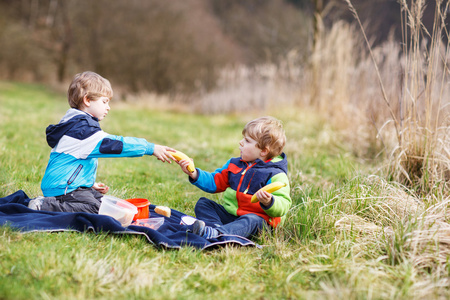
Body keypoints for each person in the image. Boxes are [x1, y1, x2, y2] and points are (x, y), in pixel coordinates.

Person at [28, 71, 175, 213]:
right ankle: (45, 205)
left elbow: (72, 161)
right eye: (104, 101)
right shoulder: (83, 131)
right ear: (87, 100)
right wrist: (150, 148)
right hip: (62, 189)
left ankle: (58, 201)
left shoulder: (75, 123)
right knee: (97, 209)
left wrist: (89, 185)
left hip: (67, 185)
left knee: (107, 204)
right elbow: (117, 145)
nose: (108, 107)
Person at [177, 116, 291, 239]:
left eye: (247, 141)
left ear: (263, 151)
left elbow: (284, 204)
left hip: (259, 223)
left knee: (252, 219)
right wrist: (194, 173)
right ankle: (215, 230)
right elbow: (215, 181)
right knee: (204, 204)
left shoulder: (276, 174)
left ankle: (219, 233)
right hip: (233, 216)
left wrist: (269, 202)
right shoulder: (235, 164)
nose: (241, 142)